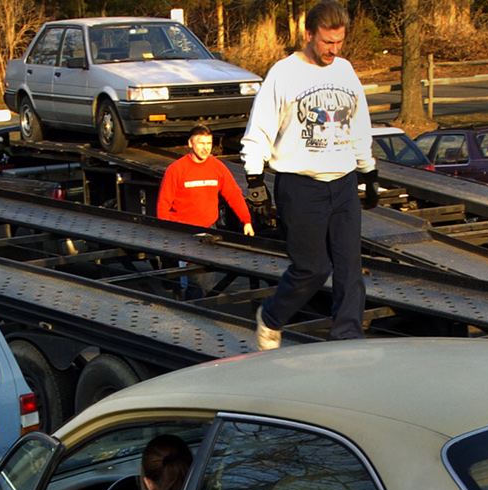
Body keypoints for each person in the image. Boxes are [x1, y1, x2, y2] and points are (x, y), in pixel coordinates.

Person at [241, 0, 375, 350]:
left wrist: (368, 169)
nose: (333, 50)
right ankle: (271, 318)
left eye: (339, 42)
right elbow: (260, 129)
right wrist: (255, 180)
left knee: (350, 270)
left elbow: (359, 124)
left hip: (343, 182)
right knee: (312, 268)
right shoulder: (283, 74)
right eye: (327, 42)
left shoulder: (345, 71)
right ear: (309, 34)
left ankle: (347, 340)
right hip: (300, 186)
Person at [157, 124, 255, 236]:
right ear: (190, 143)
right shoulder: (176, 169)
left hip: (210, 229)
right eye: (201, 143)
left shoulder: (217, 167)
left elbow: (234, 195)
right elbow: (163, 204)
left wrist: (246, 221)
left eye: (209, 143)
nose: (206, 148)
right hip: (182, 231)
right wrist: (164, 233)